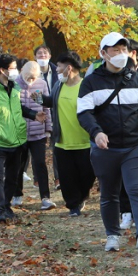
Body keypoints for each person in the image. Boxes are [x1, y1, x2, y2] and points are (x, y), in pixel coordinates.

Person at [78, 32, 138, 253]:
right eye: (115, 50)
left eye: (123, 50)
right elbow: (84, 113)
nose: (121, 54)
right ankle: (112, 235)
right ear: (103, 53)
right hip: (105, 148)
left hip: (135, 145)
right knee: (109, 193)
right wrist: (96, 133)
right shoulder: (90, 82)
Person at [0, 54, 45, 225]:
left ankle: (5, 205)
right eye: (13, 68)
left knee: (13, 177)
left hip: (18, 140)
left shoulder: (16, 88)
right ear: (2, 70)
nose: (16, 71)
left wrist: (34, 115)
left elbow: (18, 108)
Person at [49, 51, 95, 217]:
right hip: (62, 141)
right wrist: (39, 100)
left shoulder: (86, 86)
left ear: (69, 68)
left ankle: (82, 196)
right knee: (67, 177)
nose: (57, 70)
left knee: (87, 175)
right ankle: (73, 205)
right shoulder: (58, 85)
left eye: (59, 67)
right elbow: (52, 101)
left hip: (85, 140)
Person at [13, 61, 56, 210]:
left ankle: (45, 197)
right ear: (22, 72)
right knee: (18, 164)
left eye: (34, 77)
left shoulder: (42, 84)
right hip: (19, 132)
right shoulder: (14, 84)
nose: (31, 80)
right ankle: (17, 194)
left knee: (40, 164)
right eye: (28, 77)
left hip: (38, 132)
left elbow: (46, 107)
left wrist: (48, 128)